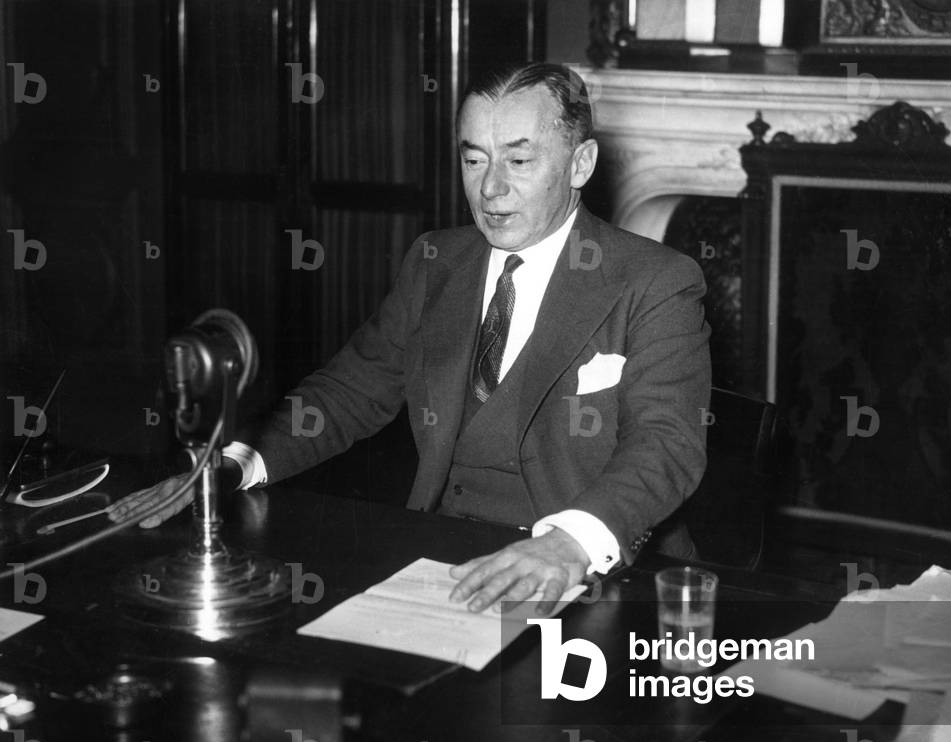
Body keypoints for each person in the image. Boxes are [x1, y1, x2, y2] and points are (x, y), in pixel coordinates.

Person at [110, 63, 711, 615]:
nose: (491, 189)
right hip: (441, 565)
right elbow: (349, 391)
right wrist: (232, 465)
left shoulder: (655, 281)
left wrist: (569, 545)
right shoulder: (435, 262)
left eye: (519, 162)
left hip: (596, 579)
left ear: (580, 164)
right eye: (474, 159)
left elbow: (667, 443)